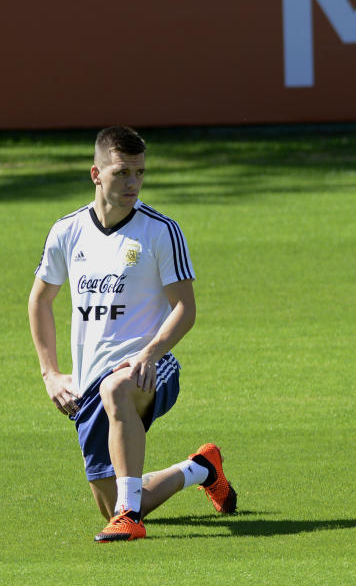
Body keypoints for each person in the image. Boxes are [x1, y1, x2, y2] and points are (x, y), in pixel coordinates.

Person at [28, 125, 237, 542]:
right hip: (88, 382)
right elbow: (40, 302)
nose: (133, 183)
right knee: (110, 499)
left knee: (117, 390)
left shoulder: (161, 231)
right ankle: (201, 469)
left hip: (151, 366)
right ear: (96, 174)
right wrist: (50, 373)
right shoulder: (67, 232)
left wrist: (151, 352)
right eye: (122, 173)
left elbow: (185, 309)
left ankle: (131, 518)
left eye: (139, 173)